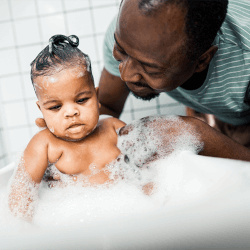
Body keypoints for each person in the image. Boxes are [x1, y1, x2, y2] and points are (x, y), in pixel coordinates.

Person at [98, 0, 250, 157]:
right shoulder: (128, 32)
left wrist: (197, 134)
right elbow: (107, 107)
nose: (125, 75)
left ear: (202, 61)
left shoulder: (245, 66)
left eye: (150, 68)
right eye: (121, 50)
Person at [8, 34, 126, 220]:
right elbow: (20, 195)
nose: (71, 112)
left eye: (82, 100)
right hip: (71, 222)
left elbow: (144, 169)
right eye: (55, 107)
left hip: (125, 212)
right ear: (42, 110)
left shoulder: (114, 129)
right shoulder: (45, 145)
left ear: (96, 98)